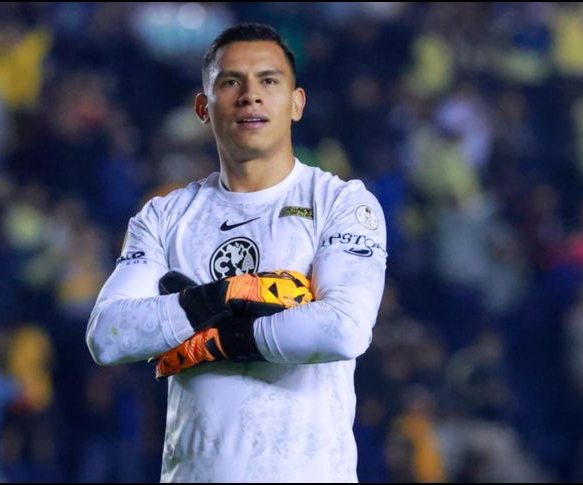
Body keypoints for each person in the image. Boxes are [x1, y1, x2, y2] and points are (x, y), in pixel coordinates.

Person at [86, 23, 387, 482]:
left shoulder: (342, 203)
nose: (251, 96)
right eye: (231, 82)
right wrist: (224, 298)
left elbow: (343, 329)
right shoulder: (164, 216)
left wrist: (215, 339)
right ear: (204, 108)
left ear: (297, 103)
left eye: (269, 80)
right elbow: (107, 335)